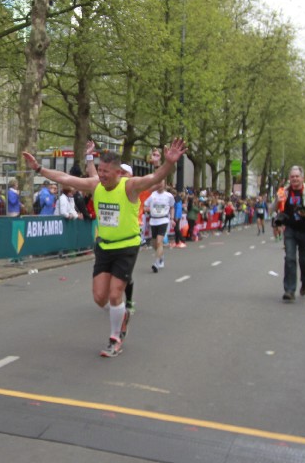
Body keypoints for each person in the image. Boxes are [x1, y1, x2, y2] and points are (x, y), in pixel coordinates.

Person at [24, 139, 186, 357]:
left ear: (118, 172)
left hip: (127, 246)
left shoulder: (130, 186)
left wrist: (169, 163)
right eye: (100, 170)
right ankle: (122, 314)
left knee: (115, 293)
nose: (101, 175)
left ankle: (115, 338)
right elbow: (65, 178)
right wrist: (38, 168)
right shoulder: (95, 185)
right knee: (100, 297)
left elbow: (155, 178)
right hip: (104, 246)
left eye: (106, 172)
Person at [276, 166, 305, 300]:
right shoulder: (284, 192)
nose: (295, 179)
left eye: (297, 176)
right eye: (292, 176)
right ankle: (289, 290)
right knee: (289, 258)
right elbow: (273, 208)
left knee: (303, 258)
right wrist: (277, 201)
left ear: (302, 178)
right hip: (290, 229)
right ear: (289, 178)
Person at [145, 180, 175, 273]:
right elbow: (144, 206)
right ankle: (161, 256)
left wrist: (172, 219)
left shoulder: (169, 196)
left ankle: (157, 263)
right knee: (154, 243)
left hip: (163, 220)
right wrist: (150, 209)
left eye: (162, 184)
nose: (160, 186)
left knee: (159, 241)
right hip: (153, 220)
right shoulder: (151, 195)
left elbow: (172, 207)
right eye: (158, 184)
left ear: (165, 185)